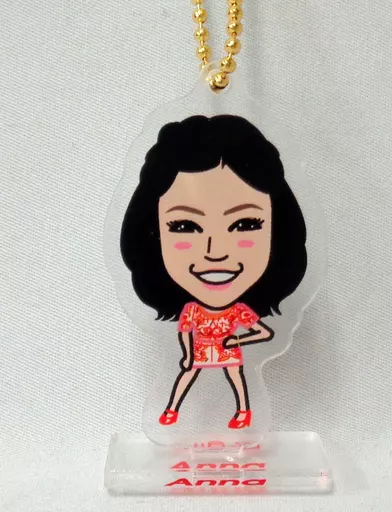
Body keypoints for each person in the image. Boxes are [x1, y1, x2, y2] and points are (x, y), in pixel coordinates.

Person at [121, 115, 307, 428]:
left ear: (279, 230)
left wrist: (235, 343)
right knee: (189, 372)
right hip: (200, 354)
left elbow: (263, 332)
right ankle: (171, 410)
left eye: (245, 224)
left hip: (224, 354)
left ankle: (243, 412)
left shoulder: (237, 313)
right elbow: (184, 332)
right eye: (185, 226)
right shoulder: (194, 311)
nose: (215, 251)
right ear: (151, 234)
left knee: (235, 376)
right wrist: (188, 353)